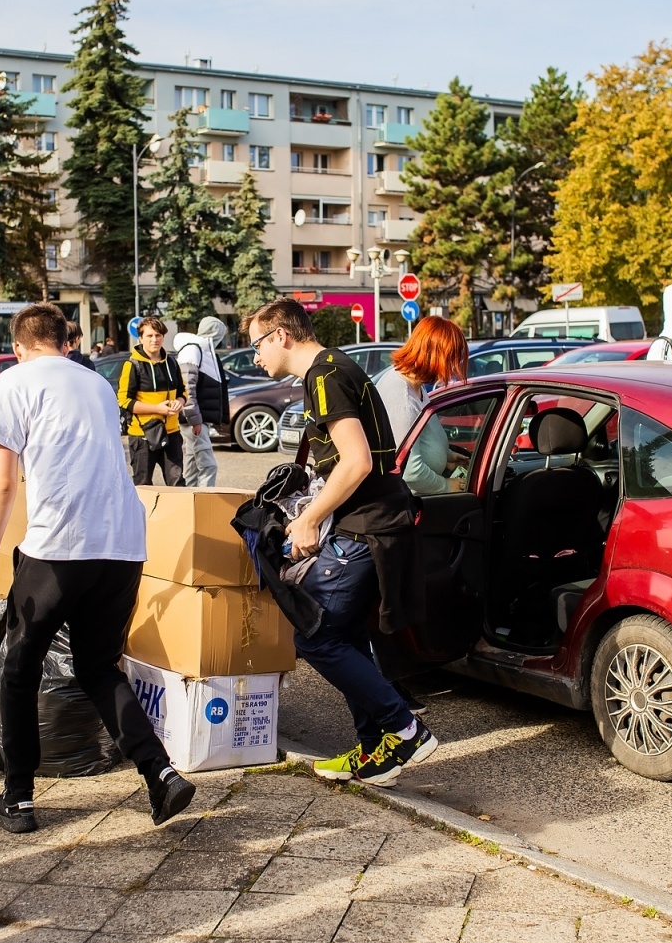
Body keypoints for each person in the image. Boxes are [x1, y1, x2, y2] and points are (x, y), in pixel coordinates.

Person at [0, 304, 194, 834]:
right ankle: (160, 772)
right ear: (66, 343)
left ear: (21, 346)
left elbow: (3, 482)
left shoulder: (15, 380)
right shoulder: (93, 382)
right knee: (98, 667)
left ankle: (18, 798)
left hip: (59, 547)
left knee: (17, 668)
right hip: (122, 544)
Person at [243, 297, 435, 786]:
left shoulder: (326, 375)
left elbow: (357, 462)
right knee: (346, 635)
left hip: (365, 524)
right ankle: (375, 749)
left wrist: (309, 518)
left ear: (281, 335)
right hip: (372, 521)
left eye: (257, 345)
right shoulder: (331, 370)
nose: (256, 357)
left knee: (315, 634)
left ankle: (405, 729)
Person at [374, 316, 470, 496]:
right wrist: (447, 486)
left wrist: (446, 456)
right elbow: (410, 471)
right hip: (410, 503)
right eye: (450, 360)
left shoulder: (414, 386)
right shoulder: (402, 399)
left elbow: (421, 437)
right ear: (435, 355)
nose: (451, 369)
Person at [116, 318, 186, 486]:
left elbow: (183, 391)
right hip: (142, 435)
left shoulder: (171, 362)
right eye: (149, 336)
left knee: (177, 484)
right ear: (140, 338)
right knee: (143, 485)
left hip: (171, 433)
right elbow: (124, 401)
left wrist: (180, 401)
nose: (154, 339)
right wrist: (157, 409)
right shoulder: (132, 365)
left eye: (158, 335)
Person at [173, 316, 231, 487]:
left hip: (196, 419)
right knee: (207, 465)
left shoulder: (201, 350)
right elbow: (186, 389)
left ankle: (189, 503)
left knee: (191, 466)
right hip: (195, 420)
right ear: (215, 332)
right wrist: (195, 419)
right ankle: (206, 503)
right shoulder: (194, 350)